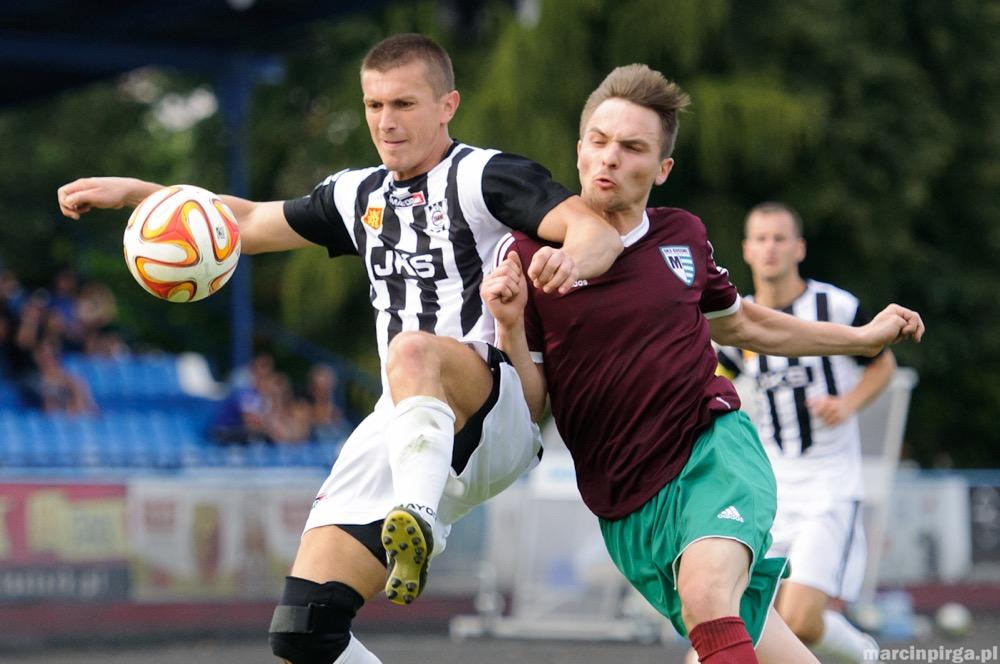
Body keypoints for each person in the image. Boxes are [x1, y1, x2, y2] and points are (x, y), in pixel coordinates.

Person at [58, 33, 621, 664]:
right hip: (405, 422)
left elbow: (594, 231)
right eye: (374, 105)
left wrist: (568, 262)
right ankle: (410, 518)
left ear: (448, 106)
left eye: (404, 104)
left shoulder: (485, 175)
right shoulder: (357, 195)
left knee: (411, 351)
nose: (386, 121)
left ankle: (415, 518)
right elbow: (244, 222)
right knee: (304, 631)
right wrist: (137, 193)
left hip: (495, 405)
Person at [482, 64, 923, 664]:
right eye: (599, 141)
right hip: (625, 501)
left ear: (662, 168)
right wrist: (508, 326)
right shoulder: (527, 252)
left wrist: (861, 338)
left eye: (632, 147)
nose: (610, 157)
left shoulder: (681, 236)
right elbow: (533, 409)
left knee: (707, 597)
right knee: (747, 639)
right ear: (579, 149)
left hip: (712, 450)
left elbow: (743, 323)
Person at [715, 202, 895, 662]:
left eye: (780, 238)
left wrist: (847, 403)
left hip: (829, 486)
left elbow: (883, 364)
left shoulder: (834, 306)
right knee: (749, 620)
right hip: (770, 490)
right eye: (761, 239)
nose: (770, 248)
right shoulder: (740, 319)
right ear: (747, 250)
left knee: (798, 621)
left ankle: (866, 654)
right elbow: (715, 379)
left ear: (799, 248)